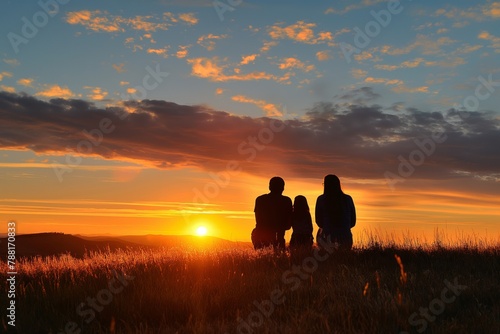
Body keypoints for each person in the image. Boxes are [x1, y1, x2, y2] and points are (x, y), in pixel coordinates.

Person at [315, 174, 356, 250]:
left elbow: (319, 222)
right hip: (346, 237)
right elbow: (353, 221)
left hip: (327, 237)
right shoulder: (348, 199)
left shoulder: (321, 199)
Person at [252, 176, 292, 250]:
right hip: (278, 236)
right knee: (278, 258)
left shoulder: (260, 200)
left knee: (262, 258)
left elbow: (258, 220)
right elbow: (288, 224)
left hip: (262, 235)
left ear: (269, 187)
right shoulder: (286, 201)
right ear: (283, 188)